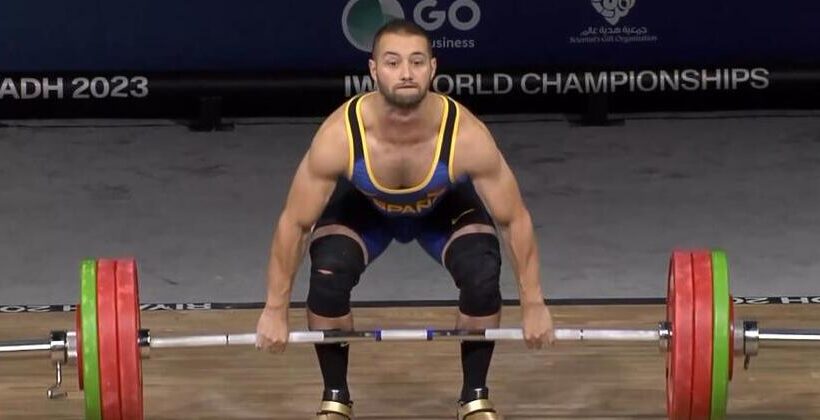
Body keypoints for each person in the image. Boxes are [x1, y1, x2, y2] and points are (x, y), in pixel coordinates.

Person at [255, 19, 555, 420]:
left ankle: (475, 396)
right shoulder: (340, 135)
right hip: (366, 209)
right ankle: (335, 396)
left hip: (442, 209)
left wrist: (533, 304)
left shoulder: (465, 136)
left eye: (416, 61)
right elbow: (295, 224)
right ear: (374, 70)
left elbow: (514, 219)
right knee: (327, 272)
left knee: (482, 273)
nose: (406, 73)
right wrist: (275, 309)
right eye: (393, 62)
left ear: (433, 67)